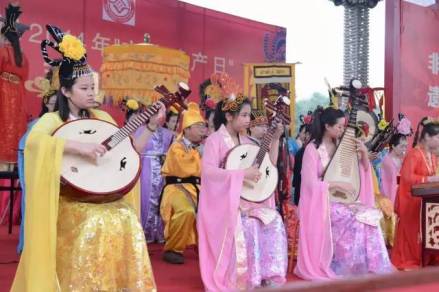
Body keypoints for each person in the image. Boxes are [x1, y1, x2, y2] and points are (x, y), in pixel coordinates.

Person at [11, 25, 157, 291]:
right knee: (95, 222)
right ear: (66, 91)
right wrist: (76, 146)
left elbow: (131, 149)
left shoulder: (103, 119)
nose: (92, 93)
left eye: (94, 87)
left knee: (127, 218)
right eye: (85, 88)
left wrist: (150, 127)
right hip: (70, 201)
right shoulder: (52, 120)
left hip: (104, 198)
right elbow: (34, 145)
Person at [198, 94, 287, 290]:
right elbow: (208, 171)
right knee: (248, 224)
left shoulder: (247, 140)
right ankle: (242, 276)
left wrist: (276, 138)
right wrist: (241, 174)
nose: (248, 119)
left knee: (273, 219)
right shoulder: (215, 140)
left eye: (249, 115)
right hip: (224, 203)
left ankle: (264, 274)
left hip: (248, 199)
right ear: (229, 116)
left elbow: (268, 164)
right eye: (244, 115)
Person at [294, 107, 393, 280]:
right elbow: (309, 184)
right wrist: (334, 184)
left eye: (343, 126)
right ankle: (344, 267)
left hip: (344, 200)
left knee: (369, 214)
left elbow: (359, 172)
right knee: (353, 217)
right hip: (323, 202)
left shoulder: (342, 147)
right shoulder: (313, 149)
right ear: (327, 126)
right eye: (339, 126)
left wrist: (363, 154)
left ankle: (372, 267)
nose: (342, 130)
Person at [16, 66, 59, 254]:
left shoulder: (61, 122)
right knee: (34, 204)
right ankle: (31, 245)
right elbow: (24, 148)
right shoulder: (36, 125)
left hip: (55, 171)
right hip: (37, 172)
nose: (51, 102)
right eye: (48, 100)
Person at [160, 102, 206, 264]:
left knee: (212, 212)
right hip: (177, 188)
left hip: (198, 188)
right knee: (186, 211)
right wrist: (199, 155)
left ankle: (207, 249)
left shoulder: (200, 148)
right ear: (186, 129)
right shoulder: (177, 146)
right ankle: (173, 248)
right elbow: (184, 167)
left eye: (204, 126)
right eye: (199, 126)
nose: (203, 129)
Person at [391, 117, 439, 270]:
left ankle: (429, 254)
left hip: (427, 201)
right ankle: (412, 258)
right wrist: (430, 178)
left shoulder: (431, 155)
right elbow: (407, 178)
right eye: (437, 137)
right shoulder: (414, 154)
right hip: (413, 201)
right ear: (426, 137)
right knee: (415, 231)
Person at [0, 0, 29, 165]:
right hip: (18, 94)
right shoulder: (23, 57)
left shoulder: (2, 51)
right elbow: (24, 77)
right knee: (15, 126)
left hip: (3, 92)